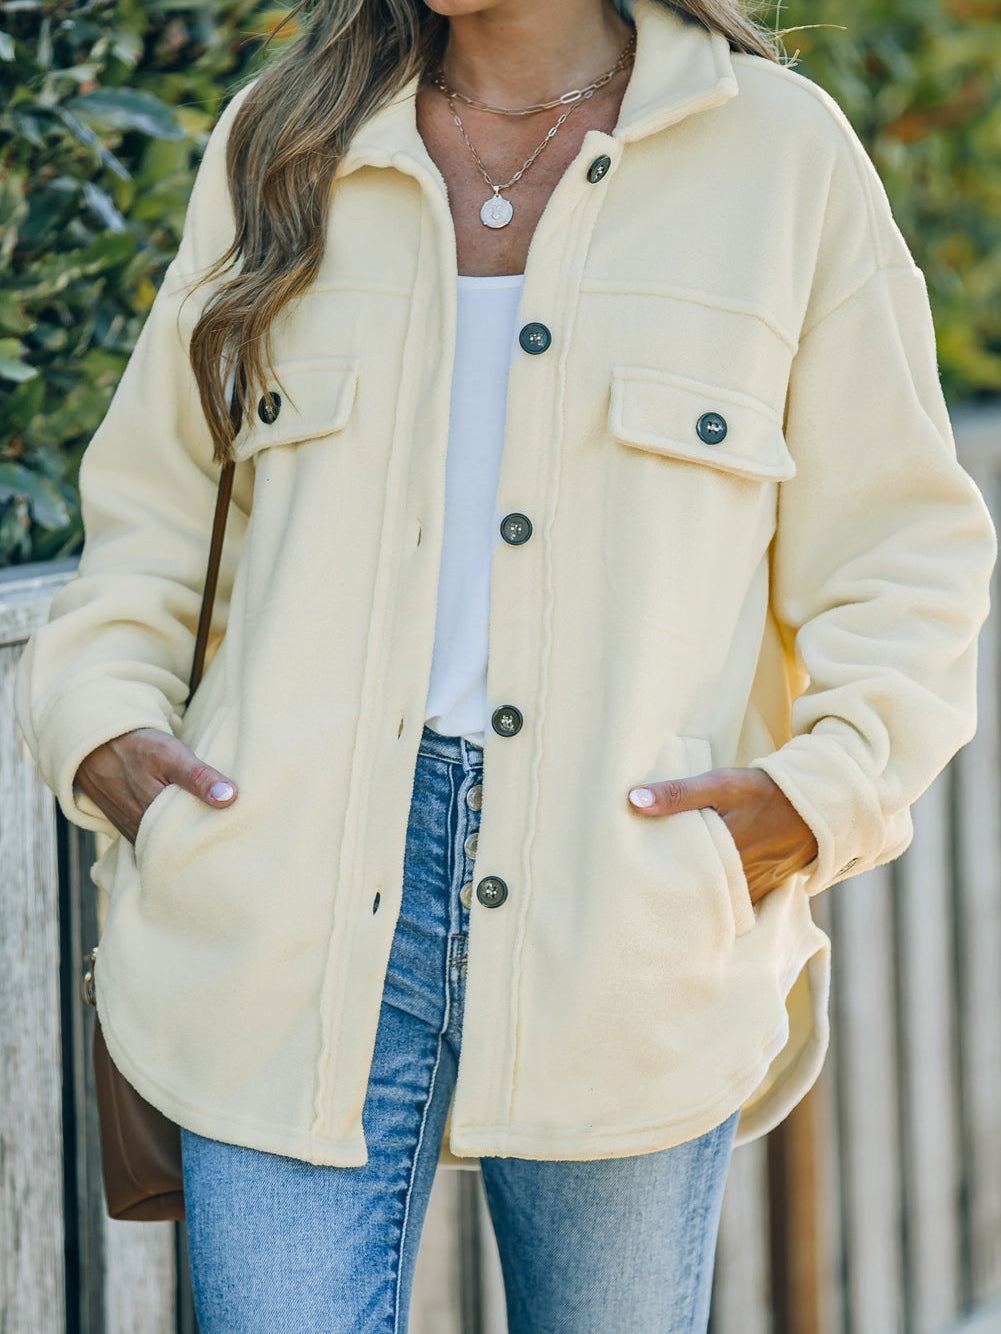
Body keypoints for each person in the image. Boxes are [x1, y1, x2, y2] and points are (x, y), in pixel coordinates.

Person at [15, 0, 996, 1328]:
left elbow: (902, 553)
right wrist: (109, 737)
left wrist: (810, 800)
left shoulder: (780, 160)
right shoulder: (281, 142)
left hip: (626, 914)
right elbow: (151, 517)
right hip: (281, 902)